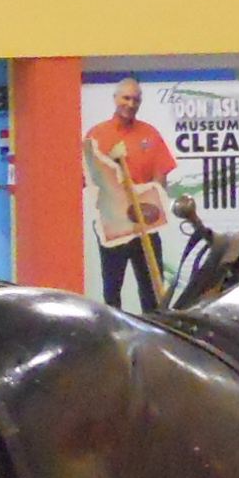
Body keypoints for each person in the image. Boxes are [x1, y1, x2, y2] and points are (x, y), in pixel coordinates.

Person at [84, 78, 178, 311]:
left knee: (152, 287)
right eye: (126, 98)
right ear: (116, 99)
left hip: (144, 222)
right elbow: (89, 180)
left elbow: (160, 177)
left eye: (136, 99)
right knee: (112, 288)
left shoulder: (150, 134)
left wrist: (152, 209)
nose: (131, 103)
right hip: (114, 224)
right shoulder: (97, 136)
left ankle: (155, 329)